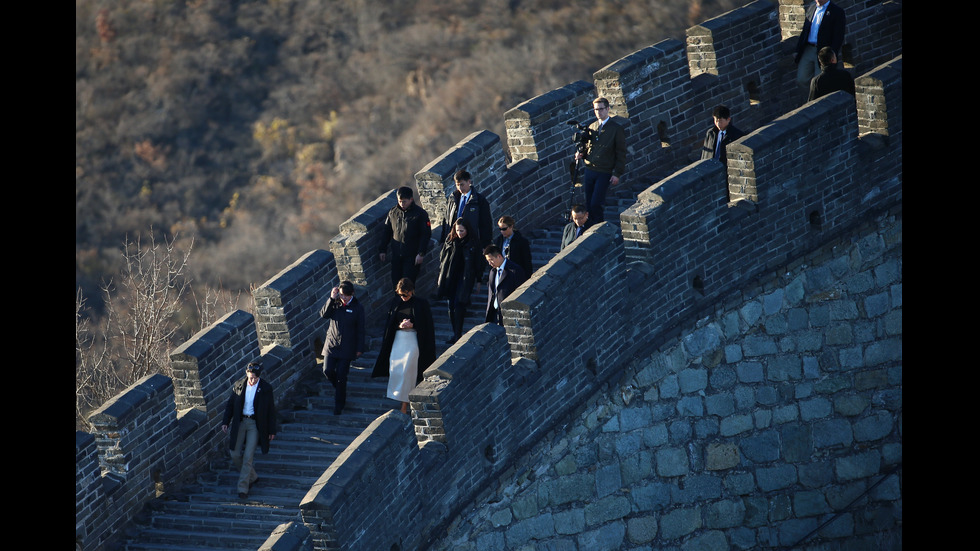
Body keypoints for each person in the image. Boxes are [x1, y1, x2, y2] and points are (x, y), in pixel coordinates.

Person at [372, 278, 436, 414]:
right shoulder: (396, 303)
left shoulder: (421, 303)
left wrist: (413, 325)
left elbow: (428, 325)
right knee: (396, 367)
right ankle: (399, 396)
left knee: (409, 369)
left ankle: (405, 404)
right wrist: (400, 325)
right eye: (400, 294)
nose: (403, 297)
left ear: (412, 291)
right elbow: (390, 323)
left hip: (413, 337)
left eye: (405, 295)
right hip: (399, 338)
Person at [221, 361, 277, 500]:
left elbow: (271, 411)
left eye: (255, 378)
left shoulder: (266, 388)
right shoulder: (239, 385)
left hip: (255, 424)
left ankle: (242, 488)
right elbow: (230, 405)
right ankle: (253, 476)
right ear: (246, 373)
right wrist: (225, 422)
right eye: (250, 377)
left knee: (248, 457)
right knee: (234, 453)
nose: (252, 380)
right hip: (240, 422)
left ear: (259, 377)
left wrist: (272, 430)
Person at [574, 97, 627, 224]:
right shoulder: (592, 126)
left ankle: (599, 227)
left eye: (601, 109)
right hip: (589, 169)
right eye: (596, 109)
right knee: (589, 202)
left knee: (596, 203)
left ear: (607, 109)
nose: (598, 112)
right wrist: (581, 154)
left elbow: (621, 152)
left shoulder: (615, 129)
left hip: (604, 171)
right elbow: (589, 148)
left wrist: (617, 173)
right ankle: (591, 226)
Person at [319, 280, 366, 415]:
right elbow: (323, 314)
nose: (343, 298)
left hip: (347, 347)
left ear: (352, 294)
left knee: (341, 375)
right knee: (327, 370)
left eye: (346, 295)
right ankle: (340, 388)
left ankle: (339, 404)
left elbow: (360, 329)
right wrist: (331, 298)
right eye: (341, 295)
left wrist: (359, 348)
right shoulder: (335, 303)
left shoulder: (358, 308)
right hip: (332, 344)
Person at [436, 218, 484, 345]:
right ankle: (455, 333)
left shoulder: (473, 243)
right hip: (450, 276)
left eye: (462, 230)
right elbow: (443, 259)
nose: (460, 233)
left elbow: (478, 262)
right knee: (450, 305)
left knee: (459, 304)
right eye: (458, 230)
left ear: (467, 229)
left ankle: (458, 334)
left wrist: (479, 279)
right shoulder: (450, 240)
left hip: (465, 276)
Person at [379, 186, 432, 291]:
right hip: (397, 255)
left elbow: (425, 234)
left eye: (404, 201)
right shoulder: (393, 213)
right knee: (396, 284)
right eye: (400, 201)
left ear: (411, 199)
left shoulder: (420, 214)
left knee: (407, 285)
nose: (402, 204)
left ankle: (410, 306)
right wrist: (382, 249)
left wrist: (421, 253)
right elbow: (387, 232)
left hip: (412, 256)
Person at [794, 0, 846, 93]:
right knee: (802, 79)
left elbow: (838, 36)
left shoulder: (836, 11)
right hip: (809, 48)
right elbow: (805, 29)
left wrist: (832, 53)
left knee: (822, 81)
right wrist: (798, 49)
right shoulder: (812, 7)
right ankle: (812, 96)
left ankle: (819, 101)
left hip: (824, 51)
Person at [440, 169, 493, 250]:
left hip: (472, 244)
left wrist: (485, 245)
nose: (460, 188)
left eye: (462, 184)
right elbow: (447, 219)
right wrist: (445, 240)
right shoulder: (453, 199)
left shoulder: (479, 201)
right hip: (455, 242)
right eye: (457, 185)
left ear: (469, 182)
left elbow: (486, 224)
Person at [484, 244, 527, 326]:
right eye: (488, 261)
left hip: (509, 314)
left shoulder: (515, 270)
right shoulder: (493, 272)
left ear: (499, 256)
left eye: (491, 260)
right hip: (494, 314)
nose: (489, 263)